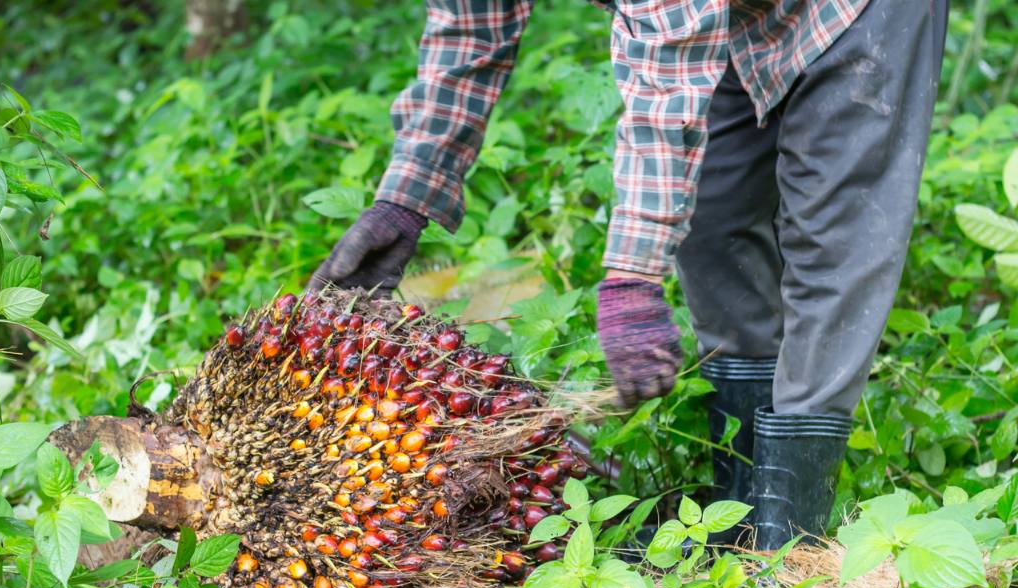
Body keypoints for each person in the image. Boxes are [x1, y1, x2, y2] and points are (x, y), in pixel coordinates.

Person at [308, 0, 948, 549]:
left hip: (854, 15)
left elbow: (667, 72)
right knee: (713, 222)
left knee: (831, 245)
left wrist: (632, 278)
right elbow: (470, 29)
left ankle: (789, 547)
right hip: (722, 19)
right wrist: (406, 198)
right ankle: (741, 503)